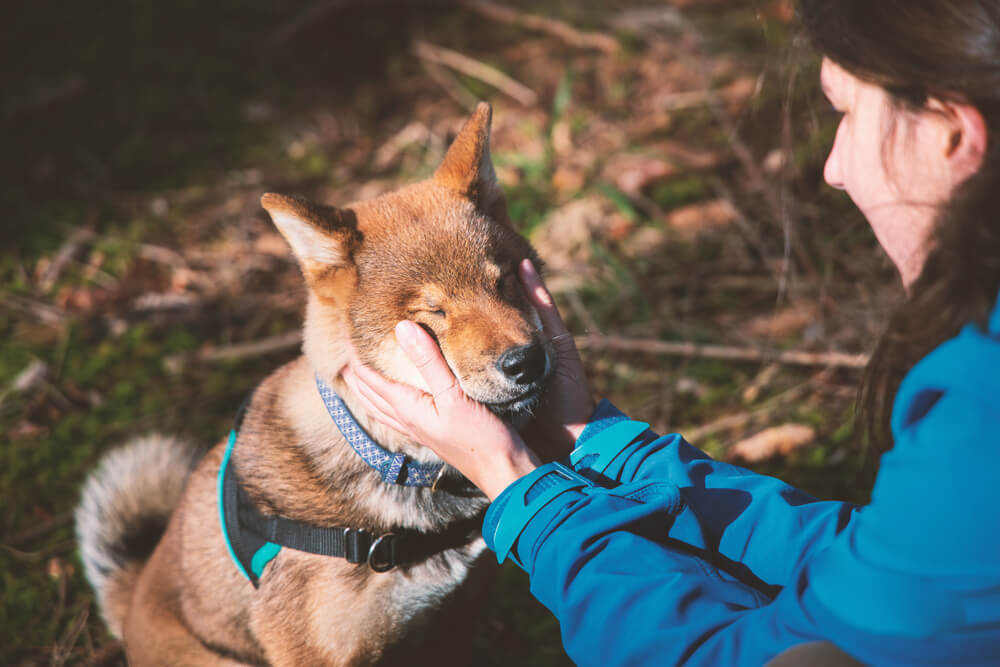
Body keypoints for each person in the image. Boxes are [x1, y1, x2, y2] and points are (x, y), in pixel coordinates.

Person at [341, 1, 1000, 664]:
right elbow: (873, 573)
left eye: (846, 113)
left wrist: (518, 486)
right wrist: (601, 446)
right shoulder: (977, 398)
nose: (832, 167)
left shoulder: (981, 417)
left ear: (949, 131)